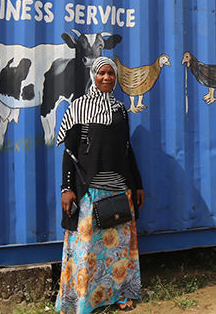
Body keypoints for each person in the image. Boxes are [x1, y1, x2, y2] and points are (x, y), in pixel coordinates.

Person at [55, 56, 145, 313]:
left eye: (111, 73)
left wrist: (137, 184)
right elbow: (69, 152)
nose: (107, 77)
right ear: (93, 76)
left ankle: (120, 295)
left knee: (118, 251)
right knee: (87, 250)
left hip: (119, 190)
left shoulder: (120, 110)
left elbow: (127, 151)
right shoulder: (79, 107)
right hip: (89, 192)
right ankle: (85, 300)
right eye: (101, 73)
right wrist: (67, 188)